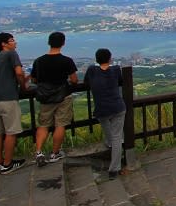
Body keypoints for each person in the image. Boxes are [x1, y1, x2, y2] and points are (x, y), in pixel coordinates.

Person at [31, 31, 79, 166]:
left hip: (45, 97)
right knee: (60, 124)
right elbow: (74, 80)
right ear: (63, 43)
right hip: (62, 95)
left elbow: (34, 79)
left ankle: (39, 152)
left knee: (43, 124)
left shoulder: (39, 61)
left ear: (49, 43)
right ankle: (54, 153)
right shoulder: (66, 60)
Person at [0, 32, 27, 174]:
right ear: (4, 44)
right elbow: (19, 72)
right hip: (7, 98)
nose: (15, 43)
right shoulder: (11, 54)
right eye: (12, 40)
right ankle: (8, 164)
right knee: (11, 131)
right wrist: (23, 86)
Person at [83, 48, 127, 178]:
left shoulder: (92, 70)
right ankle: (114, 169)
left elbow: (86, 81)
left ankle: (109, 144)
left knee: (112, 137)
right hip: (118, 107)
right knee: (117, 138)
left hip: (101, 109)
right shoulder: (116, 69)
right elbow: (121, 82)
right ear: (110, 58)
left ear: (97, 59)